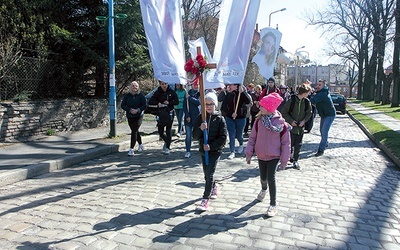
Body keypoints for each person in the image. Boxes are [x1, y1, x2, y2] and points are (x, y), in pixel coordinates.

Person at [245, 92, 291, 217]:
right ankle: (263, 189)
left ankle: (273, 204)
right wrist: (249, 152)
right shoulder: (258, 122)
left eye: (262, 106)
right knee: (263, 178)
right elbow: (252, 138)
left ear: (270, 108)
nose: (259, 108)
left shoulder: (281, 124)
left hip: (274, 156)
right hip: (261, 154)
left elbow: (286, 143)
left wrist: (284, 160)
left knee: (271, 178)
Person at [193, 92, 227, 211]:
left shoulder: (220, 119)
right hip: (203, 151)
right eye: (206, 104)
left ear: (215, 105)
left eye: (211, 104)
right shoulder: (200, 118)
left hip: (215, 151)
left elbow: (223, 138)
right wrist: (200, 129)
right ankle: (213, 186)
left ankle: (205, 199)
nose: (208, 106)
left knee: (209, 174)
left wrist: (211, 146)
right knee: (206, 173)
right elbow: (195, 136)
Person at [281, 84, 312, 169]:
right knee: (289, 144)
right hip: (291, 127)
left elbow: (309, 113)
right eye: (307, 92)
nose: (308, 94)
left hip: (300, 128)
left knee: (298, 145)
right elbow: (284, 112)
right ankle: (287, 158)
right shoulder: (292, 100)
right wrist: (291, 121)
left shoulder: (306, 102)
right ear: (304, 92)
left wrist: (304, 121)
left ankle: (295, 160)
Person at [220, 83, 252, 159]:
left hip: (241, 118)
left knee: (239, 135)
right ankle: (232, 151)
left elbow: (248, 101)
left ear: (236, 86)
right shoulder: (228, 94)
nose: (230, 86)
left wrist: (243, 92)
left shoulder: (242, 93)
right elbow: (223, 107)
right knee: (231, 134)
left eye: (231, 85)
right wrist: (231, 114)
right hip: (230, 118)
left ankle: (241, 143)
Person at [148, 80, 179, 155]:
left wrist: (169, 102)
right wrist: (158, 103)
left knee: (168, 131)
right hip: (161, 113)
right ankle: (167, 141)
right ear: (160, 84)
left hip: (169, 113)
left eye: (165, 84)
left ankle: (168, 147)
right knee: (160, 132)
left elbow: (177, 101)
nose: (164, 86)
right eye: (162, 84)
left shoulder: (171, 92)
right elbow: (150, 101)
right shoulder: (158, 92)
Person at [310, 79, 336, 157]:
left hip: (330, 114)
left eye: (320, 85)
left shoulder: (323, 93)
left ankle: (321, 150)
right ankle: (326, 143)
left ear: (324, 85)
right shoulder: (320, 92)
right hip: (324, 115)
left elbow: (312, 100)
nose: (318, 86)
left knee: (324, 132)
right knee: (322, 130)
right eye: (317, 84)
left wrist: (309, 94)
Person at [121, 81, 147, 156]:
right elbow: (123, 105)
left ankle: (131, 149)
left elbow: (144, 105)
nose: (134, 87)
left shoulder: (141, 96)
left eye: (136, 86)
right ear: (130, 87)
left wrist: (138, 110)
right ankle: (141, 144)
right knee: (135, 130)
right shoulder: (127, 96)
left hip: (139, 116)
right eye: (133, 86)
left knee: (134, 131)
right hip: (130, 116)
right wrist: (129, 109)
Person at [183, 79, 201, 158]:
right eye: (195, 84)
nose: (196, 86)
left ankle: (201, 148)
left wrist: (190, 98)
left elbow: (198, 102)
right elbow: (184, 106)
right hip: (188, 118)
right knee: (188, 135)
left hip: (197, 118)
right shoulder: (187, 93)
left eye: (197, 85)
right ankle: (188, 150)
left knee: (199, 135)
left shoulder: (200, 94)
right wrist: (187, 116)